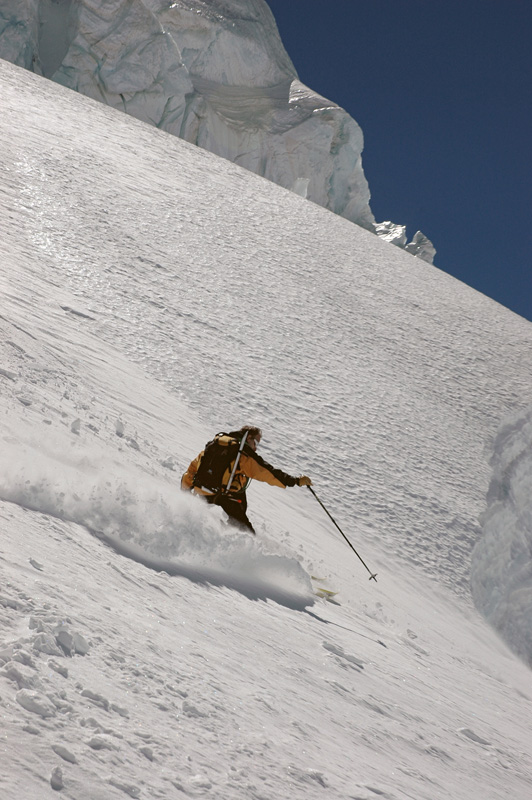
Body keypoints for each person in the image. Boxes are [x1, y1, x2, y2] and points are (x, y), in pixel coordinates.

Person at [181, 425, 312, 534]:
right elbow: (267, 472)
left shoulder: (217, 443)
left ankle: (225, 527)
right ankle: (237, 542)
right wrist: (295, 481)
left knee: (240, 492)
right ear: (248, 437)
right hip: (223, 494)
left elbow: (194, 467)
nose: (255, 447)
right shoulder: (241, 453)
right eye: (255, 443)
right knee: (247, 533)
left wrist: (185, 492)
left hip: (203, 490)